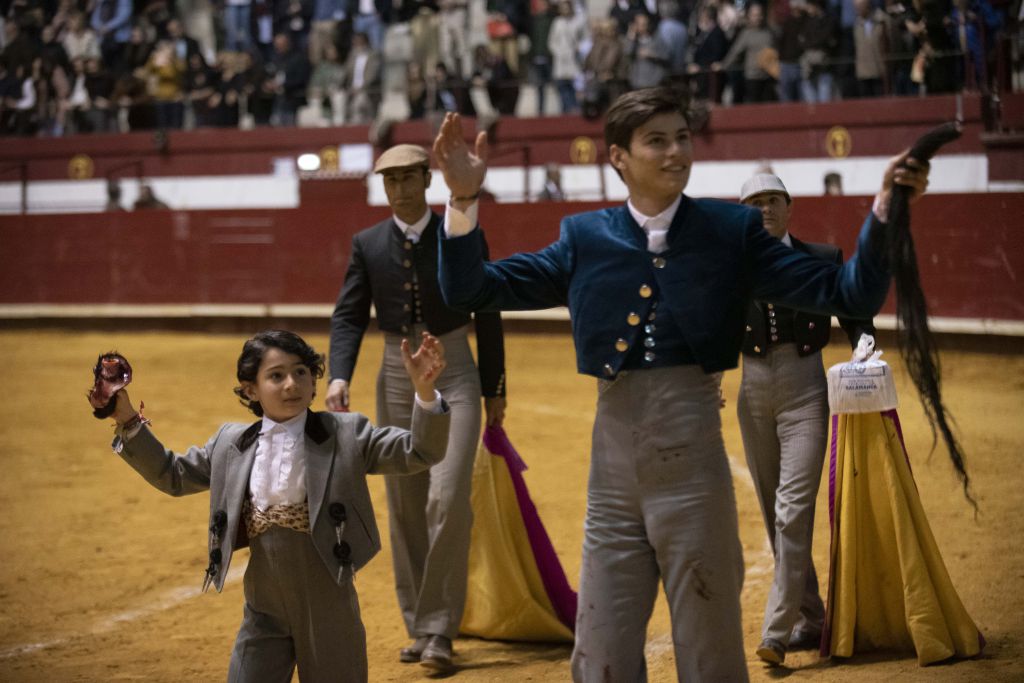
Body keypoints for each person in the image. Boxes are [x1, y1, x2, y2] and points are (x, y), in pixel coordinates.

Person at [431, 86, 930, 681]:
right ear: (619, 157)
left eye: (683, 138)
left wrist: (885, 209)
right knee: (600, 654)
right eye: (657, 141)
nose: (676, 152)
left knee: (710, 653)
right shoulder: (584, 238)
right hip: (611, 484)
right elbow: (470, 290)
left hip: (695, 476)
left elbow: (848, 292)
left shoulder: (731, 232)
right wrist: (463, 198)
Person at [100, 329, 450, 682]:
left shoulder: (346, 433)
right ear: (250, 389)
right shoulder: (230, 443)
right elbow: (173, 474)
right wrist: (127, 418)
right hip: (263, 604)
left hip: (328, 604)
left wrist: (425, 392)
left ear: (313, 381)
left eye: (301, 372)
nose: (291, 384)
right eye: (276, 376)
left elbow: (419, 451)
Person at [327, 143, 507, 673]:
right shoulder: (367, 244)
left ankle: (439, 628)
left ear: (428, 180)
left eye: (409, 178)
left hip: (454, 368)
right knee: (405, 502)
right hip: (395, 372)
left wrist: (494, 385)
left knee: (447, 497)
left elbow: (488, 308)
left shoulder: (459, 234)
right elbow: (348, 314)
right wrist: (339, 373)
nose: (400, 189)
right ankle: (421, 627)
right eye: (391, 180)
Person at [736, 172, 874, 666]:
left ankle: (776, 631)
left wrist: (864, 343)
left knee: (792, 510)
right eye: (754, 202)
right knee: (773, 508)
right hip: (751, 391)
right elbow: (705, 321)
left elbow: (853, 306)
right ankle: (811, 616)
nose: (765, 209)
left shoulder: (820, 259)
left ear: (789, 206)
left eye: (773, 200)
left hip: (806, 389)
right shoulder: (728, 266)